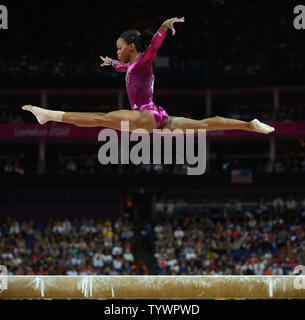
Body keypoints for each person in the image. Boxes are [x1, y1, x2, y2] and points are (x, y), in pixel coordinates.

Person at [22, 17, 275, 135]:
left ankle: (49, 115)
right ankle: (249, 125)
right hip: (157, 117)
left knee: (99, 118)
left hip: (145, 115)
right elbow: (125, 69)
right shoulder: (132, 67)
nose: (117, 51)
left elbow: (153, 47)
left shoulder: (143, 60)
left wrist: (163, 28)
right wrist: (112, 63)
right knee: (205, 124)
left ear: (132, 46)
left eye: (119, 48)